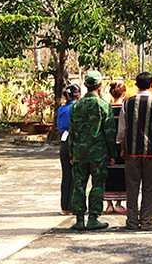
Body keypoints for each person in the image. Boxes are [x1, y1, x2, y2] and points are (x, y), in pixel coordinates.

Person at [117, 72, 152, 230]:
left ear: (136, 84)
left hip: (132, 152)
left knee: (132, 188)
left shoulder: (127, 103)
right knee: (150, 187)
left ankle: (132, 221)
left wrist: (122, 148)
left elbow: (122, 131)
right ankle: (146, 221)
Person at [68, 71, 116, 231]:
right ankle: (93, 218)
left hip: (79, 154)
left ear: (85, 86)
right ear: (100, 85)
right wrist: (112, 154)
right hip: (98, 153)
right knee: (97, 185)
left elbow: (72, 133)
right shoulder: (104, 106)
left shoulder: (75, 107)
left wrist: (71, 154)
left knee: (79, 185)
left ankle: (79, 219)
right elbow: (109, 133)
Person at [57, 84, 81, 215]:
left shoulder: (62, 110)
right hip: (77, 141)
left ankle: (64, 206)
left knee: (66, 175)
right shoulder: (80, 108)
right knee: (77, 175)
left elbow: (60, 125)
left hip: (65, 141)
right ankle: (74, 206)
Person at [104, 82, 127, 214]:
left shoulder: (106, 108)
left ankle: (108, 204)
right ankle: (119, 204)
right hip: (122, 147)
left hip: (107, 146)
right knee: (121, 174)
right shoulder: (126, 109)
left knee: (107, 175)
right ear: (124, 94)